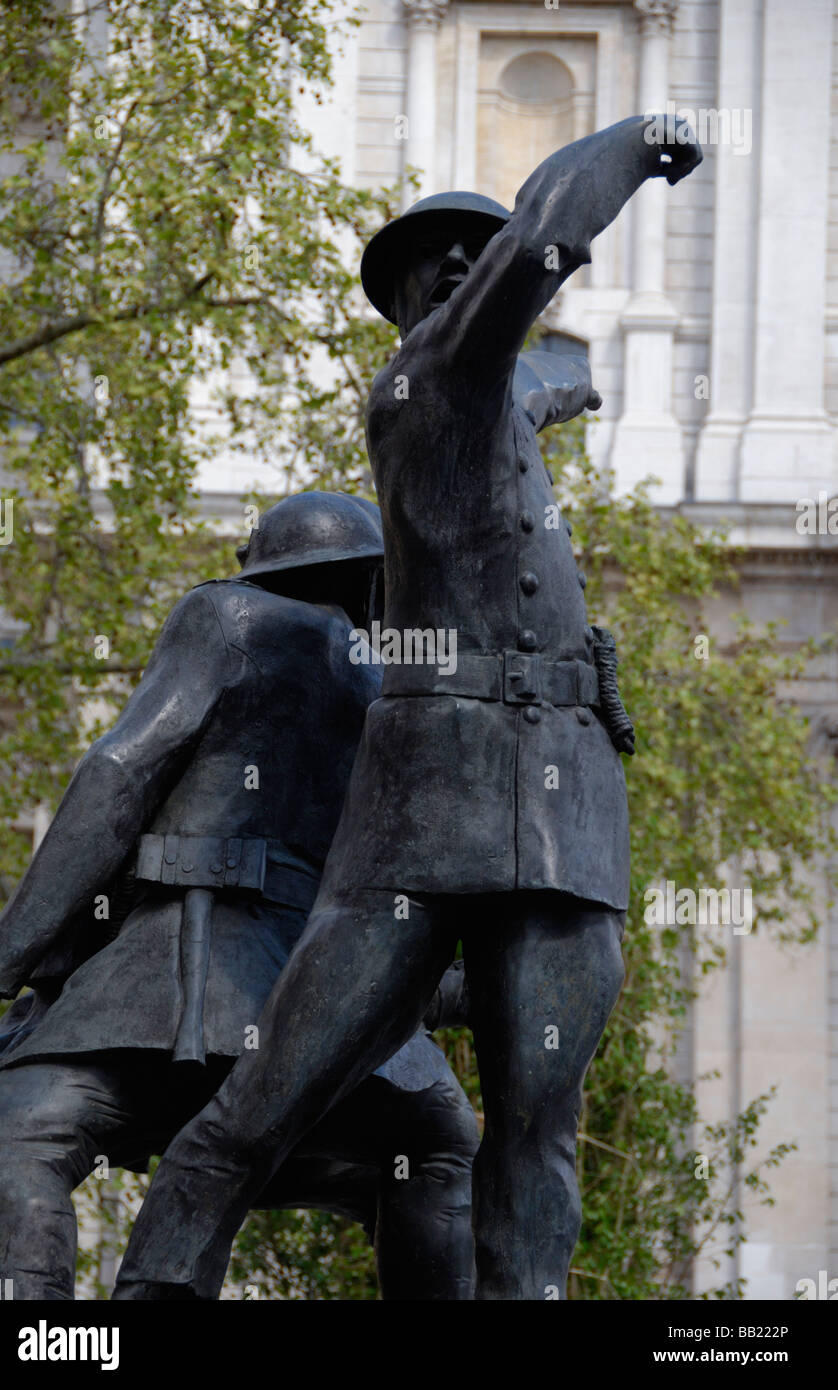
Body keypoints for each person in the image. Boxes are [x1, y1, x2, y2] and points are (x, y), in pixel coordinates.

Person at [113, 114, 703, 1302]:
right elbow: (541, 238)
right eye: (429, 264)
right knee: (258, 1109)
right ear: (402, 310)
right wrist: (638, 144)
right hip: (428, 814)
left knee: (539, 1135)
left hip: (564, 815)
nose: (455, 270)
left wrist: (568, 382)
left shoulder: (498, 407)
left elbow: (553, 376)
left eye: (467, 256)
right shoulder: (427, 383)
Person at [0, 492, 477, 1301]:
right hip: (328, 1011)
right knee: (439, 1148)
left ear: (268, 569)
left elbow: (119, 775)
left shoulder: (230, 616)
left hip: (180, 986)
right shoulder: (395, 690)